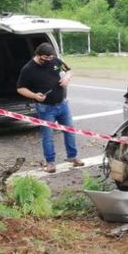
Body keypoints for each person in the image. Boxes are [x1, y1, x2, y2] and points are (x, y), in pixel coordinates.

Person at [16, 43, 84, 173]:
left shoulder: (55, 61)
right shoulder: (28, 69)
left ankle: (73, 157)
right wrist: (34, 95)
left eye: (50, 58)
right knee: (48, 136)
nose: (48, 61)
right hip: (45, 108)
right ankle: (50, 163)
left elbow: (68, 70)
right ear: (38, 55)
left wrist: (66, 78)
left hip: (62, 104)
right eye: (45, 58)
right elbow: (20, 88)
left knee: (70, 131)